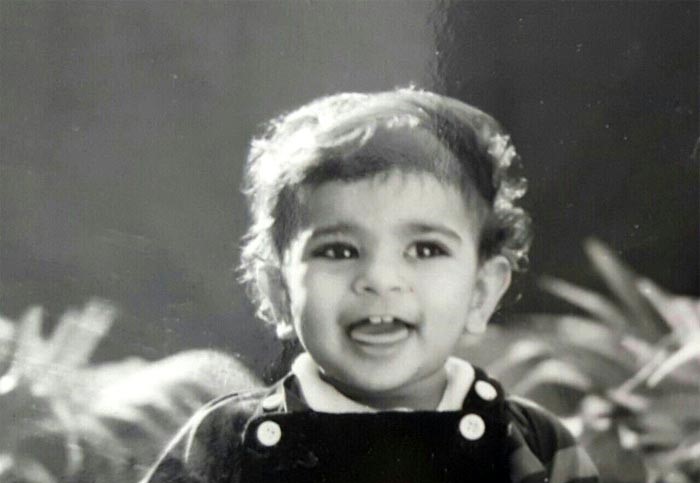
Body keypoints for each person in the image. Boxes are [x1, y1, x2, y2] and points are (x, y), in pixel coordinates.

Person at [141, 88, 598, 483]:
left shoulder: (534, 444)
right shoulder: (226, 445)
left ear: (480, 293)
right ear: (279, 292)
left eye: (425, 249)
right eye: (339, 251)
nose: (380, 280)